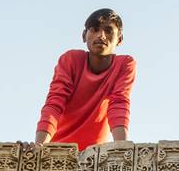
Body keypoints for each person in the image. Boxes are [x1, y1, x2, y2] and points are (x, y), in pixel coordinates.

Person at [35, 8, 137, 149]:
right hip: (57, 150)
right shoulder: (71, 60)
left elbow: (119, 103)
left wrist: (123, 148)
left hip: (93, 158)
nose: (101, 36)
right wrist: (40, 146)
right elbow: (55, 102)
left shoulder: (124, 64)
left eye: (108, 31)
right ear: (84, 35)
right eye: (94, 29)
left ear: (119, 39)